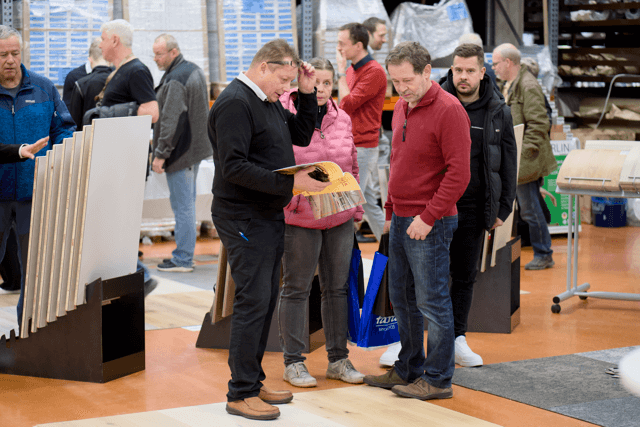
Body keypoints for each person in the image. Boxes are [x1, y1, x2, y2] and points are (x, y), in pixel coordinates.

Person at [209, 39, 329, 421]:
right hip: (243, 217)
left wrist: (306, 94)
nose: (285, 88)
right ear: (263, 67)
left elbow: (300, 135)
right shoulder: (235, 103)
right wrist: (292, 183)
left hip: (265, 214)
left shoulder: (266, 99)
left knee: (263, 301)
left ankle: (252, 379)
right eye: (284, 80)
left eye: (292, 82)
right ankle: (240, 392)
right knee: (253, 301)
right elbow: (233, 167)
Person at [363, 41, 471, 401]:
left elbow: (459, 174)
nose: (401, 88)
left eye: (407, 80)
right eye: (395, 82)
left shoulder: (449, 110)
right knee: (402, 298)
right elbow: (398, 162)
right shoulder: (402, 107)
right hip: (401, 218)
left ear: (427, 72)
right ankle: (408, 367)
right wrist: (390, 210)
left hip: (430, 223)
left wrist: (428, 216)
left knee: (432, 302)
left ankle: (438, 379)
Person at [277, 57, 365, 388]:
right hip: (300, 217)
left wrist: (356, 210)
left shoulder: (342, 118)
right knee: (297, 288)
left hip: (339, 216)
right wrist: (290, 200)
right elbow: (274, 166)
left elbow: (352, 164)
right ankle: (293, 362)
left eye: (327, 83)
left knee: (337, 288)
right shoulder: (283, 116)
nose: (321, 90)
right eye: (315, 84)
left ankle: (338, 360)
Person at [441, 43, 517, 367]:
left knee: (464, 276)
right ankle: (417, 341)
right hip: (437, 207)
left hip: (473, 208)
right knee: (428, 275)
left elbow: (509, 162)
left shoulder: (498, 111)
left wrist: (502, 208)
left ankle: (457, 338)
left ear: (482, 72)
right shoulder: (437, 103)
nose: (463, 76)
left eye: (470, 70)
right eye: (458, 70)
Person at [0, 25, 76, 327]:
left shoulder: (44, 88)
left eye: (14, 53)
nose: (10, 60)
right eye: (2, 54)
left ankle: (30, 333)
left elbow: (65, 130)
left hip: (36, 194)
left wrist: (56, 161)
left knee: (36, 271)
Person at [98, 19, 160, 295]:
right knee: (110, 224)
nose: (100, 44)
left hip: (126, 162)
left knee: (115, 225)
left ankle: (139, 276)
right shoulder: (120, 71)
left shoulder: (136, 70)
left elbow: (152, 112)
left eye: (102, 38)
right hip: (116, 159)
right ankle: (132, 277)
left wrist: (112, 114)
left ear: (114, 40)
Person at [151, 34, 212, 273]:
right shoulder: (192, 70)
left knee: (183, 206)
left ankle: (183, 259)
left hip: (181, 152)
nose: (155, 58)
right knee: (187, 204)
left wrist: (161, 153)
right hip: (193, 150)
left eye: (159, 54)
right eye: (154, 54)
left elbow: (170, 120)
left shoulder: (176, 78)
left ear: (173, 52)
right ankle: (185, 254)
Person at [492, 43, 556, 270]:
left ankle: (544, 253)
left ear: (508, 62)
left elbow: (539, 124)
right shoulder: (511, 84)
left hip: (525, 161)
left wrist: (522, 155)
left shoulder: (527, 86)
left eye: (496, 63)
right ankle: (542, 251)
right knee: (529, 207)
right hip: (516, 159)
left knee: (529, 209)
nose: (494, 68)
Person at [336, 23, 387, 243]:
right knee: (365, 201)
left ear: (358, 45)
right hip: (350, 143)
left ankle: (346, 251)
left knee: (352, 202)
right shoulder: (352, 70)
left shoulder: (374, 72)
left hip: (363, 146)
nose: (339, 48)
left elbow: (348, 103)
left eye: (342, 43)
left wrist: (340, 73)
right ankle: (390, 247)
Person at [362, 17, 391, 240]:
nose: (384, 39)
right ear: (368, 35)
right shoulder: (367, 67)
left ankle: (388, 243)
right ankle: (388, 243)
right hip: (368, 141)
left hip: (373, 138)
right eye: (381, 35)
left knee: (370, 195)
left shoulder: (371, 67)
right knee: (368, 195)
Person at [68, 37, 113, 128]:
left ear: (90, 59)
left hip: (88, 135)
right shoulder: (121, 80)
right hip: (115, 133)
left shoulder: (81, 84)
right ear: (109, 59)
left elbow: (74, 123)